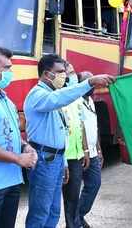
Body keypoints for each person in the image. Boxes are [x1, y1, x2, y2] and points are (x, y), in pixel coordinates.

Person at [24, 54, 114, 228]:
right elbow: (59, 99)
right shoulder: (38, 95)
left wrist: (63, 161)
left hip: (56, 159)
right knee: (40, 211)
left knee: (53, 210)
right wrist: (89, 82)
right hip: (44, 159)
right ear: (46, 74)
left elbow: (61, 132)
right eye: (59, 72)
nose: (63, 76)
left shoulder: (53, 94)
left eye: (65, 72)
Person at [0, 46, 37, 228]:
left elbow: (10, 132)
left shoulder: (5, 100)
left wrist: (25, 146)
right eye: (6, 68)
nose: (11, 72)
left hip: (12, 181)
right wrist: (18, 158)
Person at [62, 63, 90, 228]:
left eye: (74, 72)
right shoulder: (59, 98)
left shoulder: (77, 98)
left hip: (77, 155)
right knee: (65, 197)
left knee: (74, 195)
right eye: (69, 72)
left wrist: (85, 150)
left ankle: (73, 224)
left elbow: (82, 125)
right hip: (64, 156)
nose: (73, 75)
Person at [77, 71, 103, 228]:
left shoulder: (91, 101)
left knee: (94, 184)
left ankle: (78, 215)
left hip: (93, 152)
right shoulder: (76, 102)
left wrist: (99, 149)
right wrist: (85, 150)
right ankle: (76, 219)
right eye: (88, 83)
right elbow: (80, 128)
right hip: (81, 153)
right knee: (73, 191)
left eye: (93, 83)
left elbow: (94, 126)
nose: (92, 87)